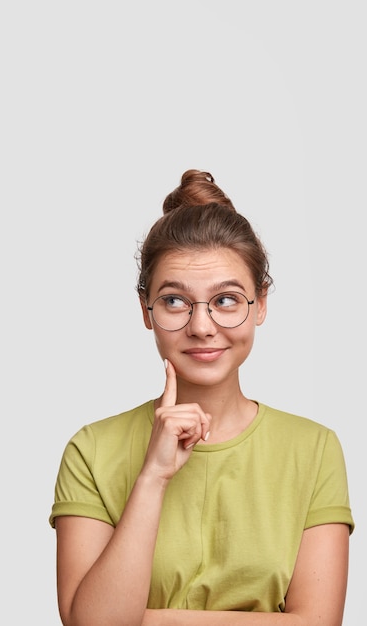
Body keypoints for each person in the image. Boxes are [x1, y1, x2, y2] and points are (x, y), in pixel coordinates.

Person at [48, 169, 354, 626]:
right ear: (145, 310)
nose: (202, 325)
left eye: (227, 300)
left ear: (261, 303)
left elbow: (318, 624)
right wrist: (153, 474)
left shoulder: (314, 449)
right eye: (174, 301)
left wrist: (144, 619)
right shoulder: (91, 451)